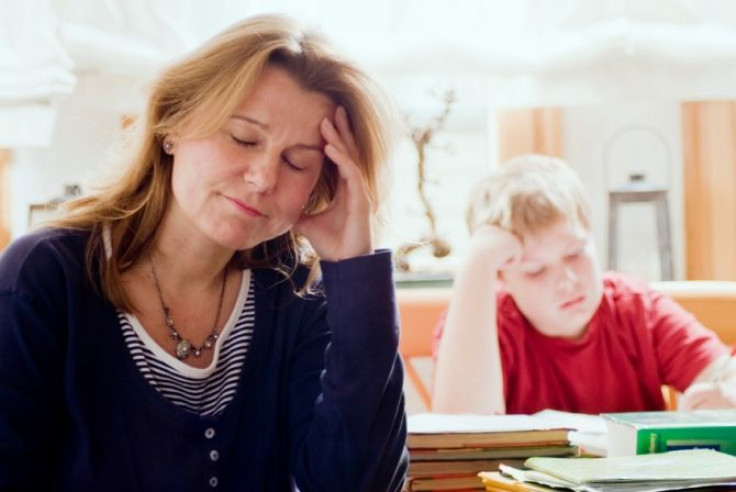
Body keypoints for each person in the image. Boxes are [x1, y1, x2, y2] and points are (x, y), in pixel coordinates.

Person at [0, 14, 408, 491]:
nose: (263, 177)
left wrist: (355, 269)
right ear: (172, 123)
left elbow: (358, 485)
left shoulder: (297, 295)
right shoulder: (43, 278)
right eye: (243, 138)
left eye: (297, 161)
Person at [432, 154, 736, 416]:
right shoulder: (482, 324)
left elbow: (723, 375)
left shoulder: (636, 308)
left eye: (575, 253)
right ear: (501, 279)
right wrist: (477, 262)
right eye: (536, 270)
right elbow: (460, 431)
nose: (567, 282)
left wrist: (726, 394)